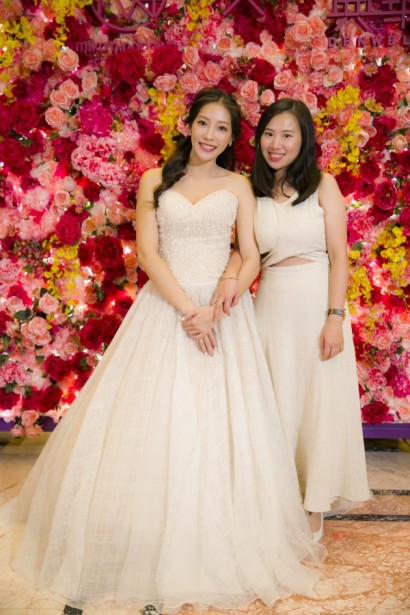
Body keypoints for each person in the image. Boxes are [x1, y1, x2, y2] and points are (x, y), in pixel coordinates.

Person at [0, 89, 324, 615]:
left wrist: (220, 300)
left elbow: (250, 253)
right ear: (188, 125)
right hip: (166, 309)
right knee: (150, 424)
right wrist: (189, 311)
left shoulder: (238, 185)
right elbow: (149, 254)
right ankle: (138, 539)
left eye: (222, 128)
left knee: (218, 427)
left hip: (222, 317)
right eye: (204, 124)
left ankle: (213, 538)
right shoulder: (155, 180)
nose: (210, 135)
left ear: (231, 139)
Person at [250, 98, 371, 539]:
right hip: (271, 306)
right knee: (276, 404)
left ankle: (313, 508)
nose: (276, 144)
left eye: (287, 135)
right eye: (269, 134)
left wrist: (334, 317)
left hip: (317, 304)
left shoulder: (323, 184)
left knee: (316, 406)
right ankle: (274, 505)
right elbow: (245, 256)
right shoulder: (250, 190)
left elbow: (339, 257)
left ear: (303, 140)